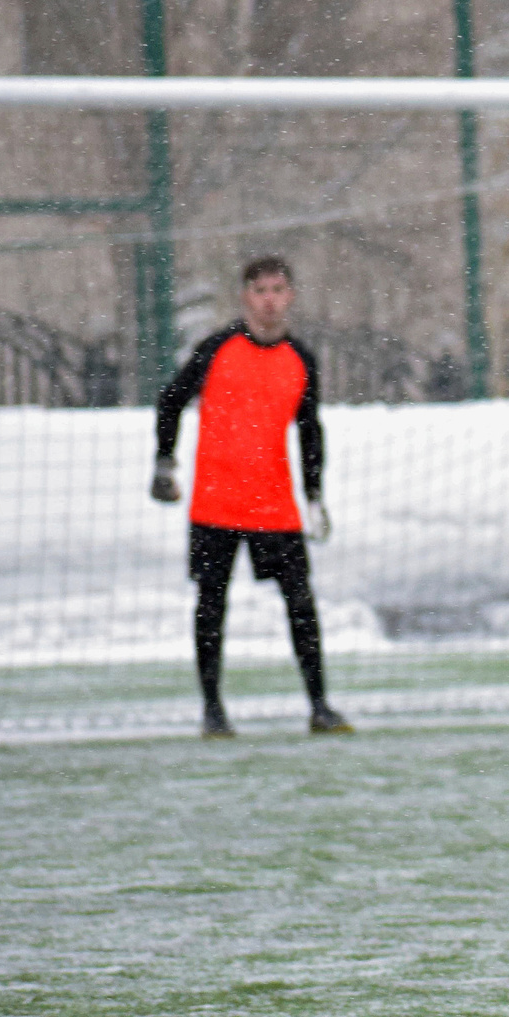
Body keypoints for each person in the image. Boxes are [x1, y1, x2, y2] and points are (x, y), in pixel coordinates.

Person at [151, 256, 349, 739]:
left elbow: (309, 429)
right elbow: (171, 399)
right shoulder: (217, 349)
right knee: (211, 606)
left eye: (279, 289)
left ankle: (320, 706)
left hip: (275, 506)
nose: (270, 299)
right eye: (261, 290)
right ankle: (213, 710)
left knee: (301, 604)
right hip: (214, 505)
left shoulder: (300, 358)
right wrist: (164, 462)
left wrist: (314, 494)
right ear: (245, 296)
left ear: (291, 296)